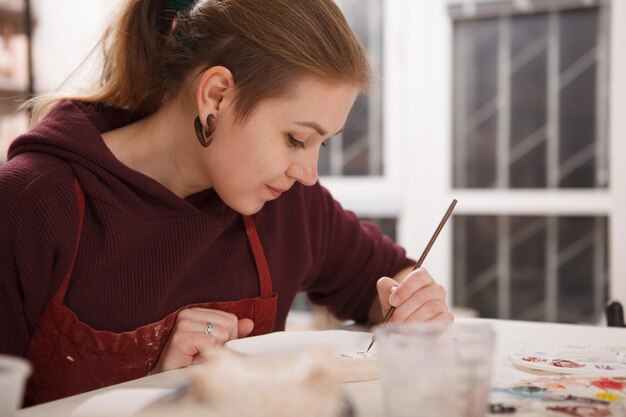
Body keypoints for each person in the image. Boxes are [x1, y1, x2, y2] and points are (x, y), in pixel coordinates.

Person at [0, 0, 453, 406]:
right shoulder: (29, 203)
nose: (308, 172)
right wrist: (154, 394)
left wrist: (411, 306)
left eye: (321, 144)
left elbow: (390, 281)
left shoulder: (291, 207)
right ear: (216, 95)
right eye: (296, 138)